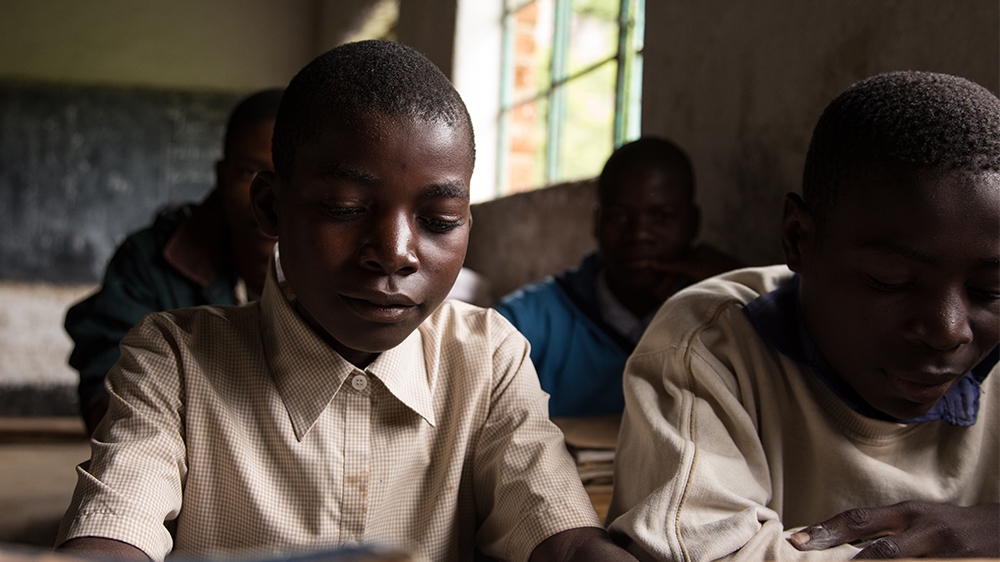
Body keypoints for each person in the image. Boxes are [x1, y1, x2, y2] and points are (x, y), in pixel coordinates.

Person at [55, 41, 637, 562]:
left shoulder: (488, 358)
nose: (395, 253)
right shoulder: (173, 362)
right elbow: (114, 529)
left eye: (438, 220)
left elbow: (559, 531)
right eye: (345, 208)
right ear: (270, 210)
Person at [606, 71, 1000, 560]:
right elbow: (697, 549)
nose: (947, 330)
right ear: (798, 238)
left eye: (990, 290)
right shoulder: (712, 345)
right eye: (891, 281)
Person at [64, 89, 283, 434]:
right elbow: (109, 386)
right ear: (222, 176)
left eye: (289, 175)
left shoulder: (346, 267)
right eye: (249, 173)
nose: (269, 199)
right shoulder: (151, 260)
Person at [495, 138, 741, 417]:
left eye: (662, 217)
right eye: (619, 217)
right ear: (597, 224)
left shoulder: (724, 314)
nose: (639, 234)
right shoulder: (530, 320)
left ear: (693, 223)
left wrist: (739, 291)